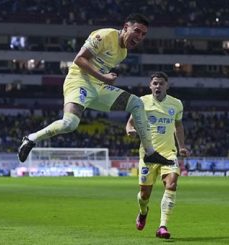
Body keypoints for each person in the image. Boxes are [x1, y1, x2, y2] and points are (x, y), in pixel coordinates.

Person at [18, 13, 174, 166]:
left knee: (137, 103)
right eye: (137, 31)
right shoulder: (105, 35)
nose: (139, 37)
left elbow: (100, 68)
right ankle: (31, 139)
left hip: (98, 87)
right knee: (69, 124)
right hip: (79, 81)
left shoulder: (123, 52)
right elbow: (79, 59)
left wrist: (103, 78)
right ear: (126, 27)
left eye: (143, 34)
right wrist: (104, 77)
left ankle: (150, 153)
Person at [126, 72, 190, 239]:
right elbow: (130, 122)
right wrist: (129, 130)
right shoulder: (141, 102)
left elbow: (178, 125)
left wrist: (181, 146)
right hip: (148, 154)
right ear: (150, 85)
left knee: (172, 184)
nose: (158, 86)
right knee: (145, 194)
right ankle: (143, 211)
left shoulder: (176, 104)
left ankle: (163, 226)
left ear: (166, 86)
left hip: (169, 153)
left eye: (161, 83)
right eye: (155, 83)